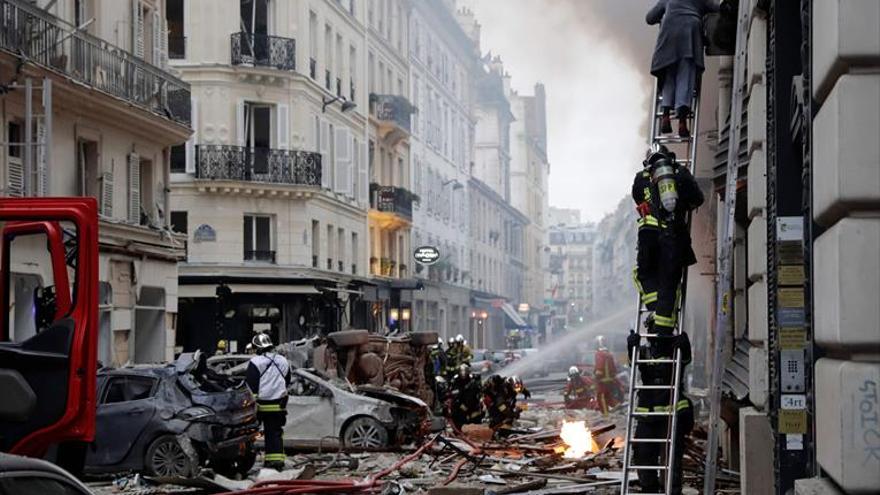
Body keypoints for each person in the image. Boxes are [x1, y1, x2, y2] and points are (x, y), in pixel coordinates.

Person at [632, 146, 704, 335]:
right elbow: (698, 199)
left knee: (644, 274)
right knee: (669, 284)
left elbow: (638, 198)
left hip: (648, 234)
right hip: (673, 237)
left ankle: (654, 309)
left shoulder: (640, 178)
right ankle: (662, 335)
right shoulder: (680, 174)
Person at [627, 317, 694, 494]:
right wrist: (631, 347)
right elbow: (634, 363)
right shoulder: (643, 352)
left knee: (671, 461)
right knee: (643, 454)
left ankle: (671, 491)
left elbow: (685, 359)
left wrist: (685, 346)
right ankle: (649, 489)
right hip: (647, 415)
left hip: (670, 415)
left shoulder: (675, 350)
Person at [646, 0, 721, 137]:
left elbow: (650, 18)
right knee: (685, 77)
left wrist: (662, 17)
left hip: (669, 35)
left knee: (669, 77)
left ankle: (666, 116)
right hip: (690, 35)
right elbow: (717, 7)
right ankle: (682, 122)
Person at [245, 333, 291, 471]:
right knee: (275, 433)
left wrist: (251, 404)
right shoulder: (283, 361)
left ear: (258, 347)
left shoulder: (255, 362)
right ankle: (276, 462)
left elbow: (251, 385)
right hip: (278, 405)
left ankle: (246, 461)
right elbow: (287, 381)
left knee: (249, 434)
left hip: (260, 406)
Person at [448, 364, 483, 429]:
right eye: (461, 373)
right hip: (459, 406)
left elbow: (478, 392)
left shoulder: (473, 380)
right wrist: (461, 405)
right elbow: (453, 394)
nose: (463, 375)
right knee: (460, 423)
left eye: (465, 373)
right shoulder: (455, 381)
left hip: (473, 405)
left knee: (475, 423)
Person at [593, 336, 620, 415]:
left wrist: (596, 376)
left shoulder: (599, 354)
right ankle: (615, 404)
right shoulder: (608, 354)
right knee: (607, 395)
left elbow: (599, 367)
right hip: (610, 379)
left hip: (602, 379)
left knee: (601, 396)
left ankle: (605, 414)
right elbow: (614, 368)